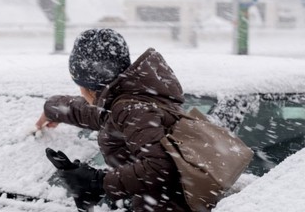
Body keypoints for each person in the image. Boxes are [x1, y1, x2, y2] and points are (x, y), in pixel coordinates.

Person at [36, 28, 190, 211]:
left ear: (87, 87)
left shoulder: (132, 109)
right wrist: (53, 109)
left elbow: (161, 168)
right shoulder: (132, 99)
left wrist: (98, 182)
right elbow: (96, 114)